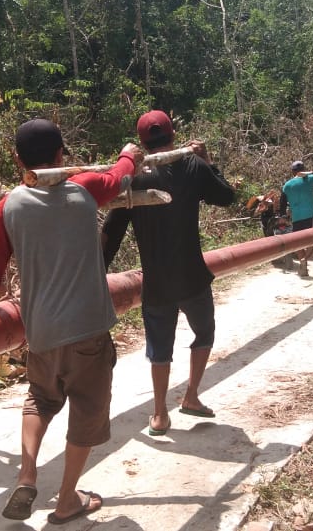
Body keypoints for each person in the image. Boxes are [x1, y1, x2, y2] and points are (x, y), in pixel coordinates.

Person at [0, 119, 143, 524]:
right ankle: (67, 499)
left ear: (16, 159)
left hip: (41, 332)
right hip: (87, 330)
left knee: (40, 399)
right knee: (87, 409)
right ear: (62, 155)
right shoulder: (83, 189)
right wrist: (128, 154)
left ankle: (27, 474)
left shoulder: (7, 207)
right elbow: (120, 176)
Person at [101, 110, 235, 438]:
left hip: (156, 281)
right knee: (204, 332)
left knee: (159, 348)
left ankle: (160, 414)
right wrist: (209, 161)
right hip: (192, 276)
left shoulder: (135, 178)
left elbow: (112, 233)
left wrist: (95, 272)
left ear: (142, 143)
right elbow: (227, 197)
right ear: (173, 135)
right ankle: (190, 396)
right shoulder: (193, 166)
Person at [279, 161, 313, 277]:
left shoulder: (287, 185)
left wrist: (283, 216)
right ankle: (304, 261)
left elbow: (282, 204)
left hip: (297, 217)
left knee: (298, 242)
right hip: (311, 214)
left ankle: (302, 262)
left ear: (292, 171)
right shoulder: (311, 178)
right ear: (304, 169)